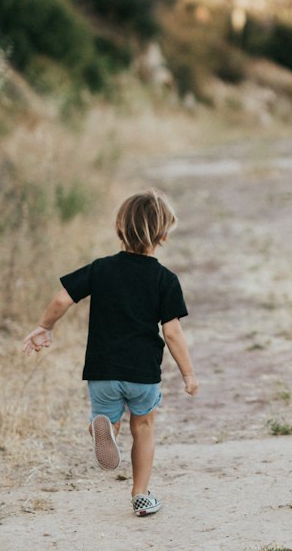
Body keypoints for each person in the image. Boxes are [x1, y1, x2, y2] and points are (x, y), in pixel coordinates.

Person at [22, 189, 198, 517]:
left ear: (120, 229)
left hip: (102, 370)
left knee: (107, 416)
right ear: (163, 235)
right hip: (142, 373)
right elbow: (172, 332)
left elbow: (62, 299)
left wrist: (45, 327)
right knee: (143, 426)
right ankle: (141, 494)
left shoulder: (101, 269)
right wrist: (188, 374)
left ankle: (102, 429)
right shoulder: (165, 279)